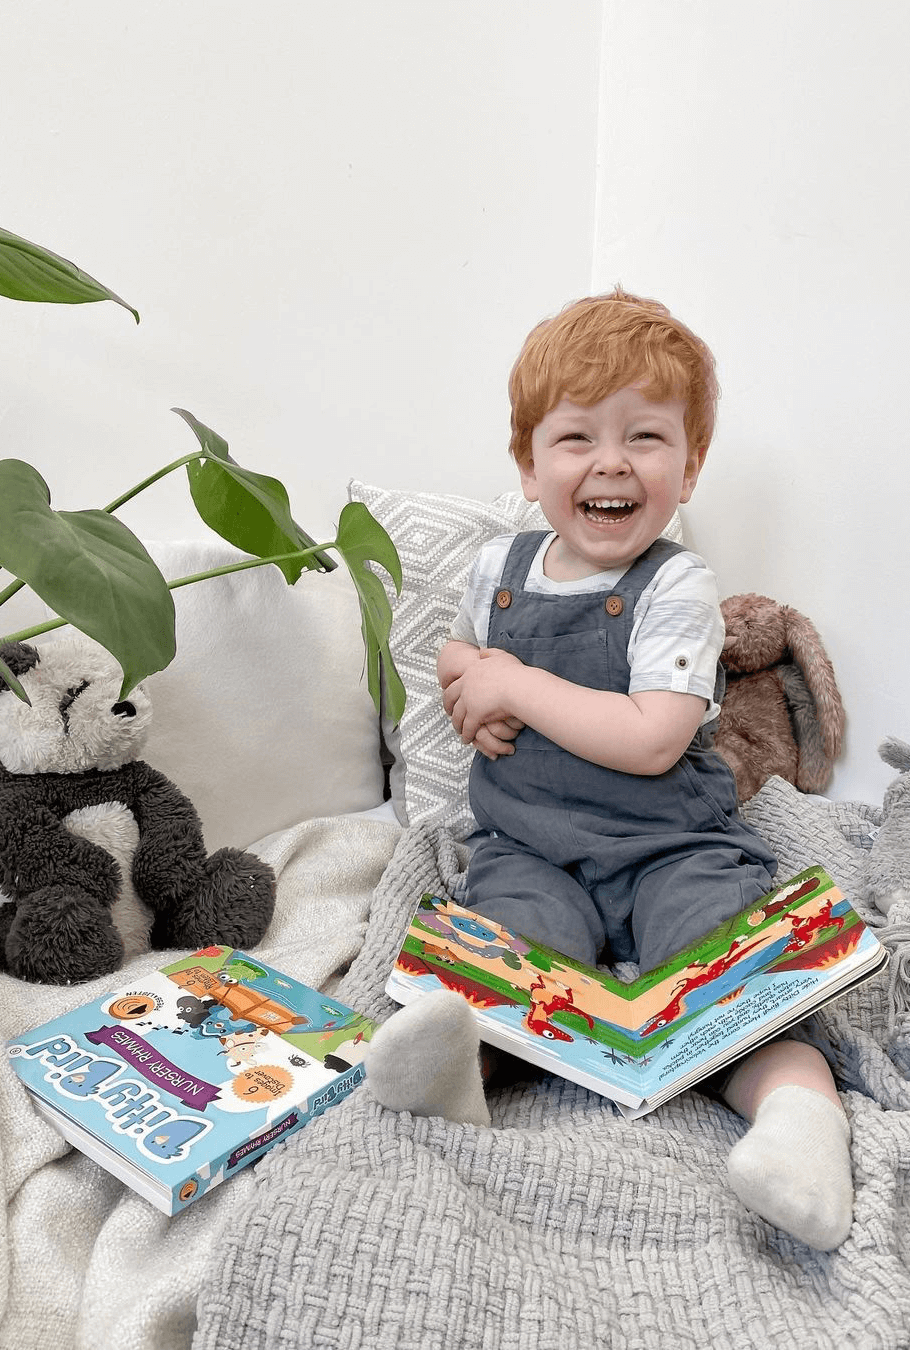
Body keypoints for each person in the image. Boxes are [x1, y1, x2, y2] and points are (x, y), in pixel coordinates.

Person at [365, 290, 854, 1251]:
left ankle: (799, 1120)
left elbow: (652, 738)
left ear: (690, 466)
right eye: (578, 437)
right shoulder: (497, 567)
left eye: (646, 436)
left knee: (727, 967)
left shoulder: (676, 585)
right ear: (529, 463)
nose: (612, 462)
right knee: (511, 951)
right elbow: (462, 652)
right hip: (531, 845)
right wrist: (470, 682)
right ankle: (462, 1071)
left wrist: (517, 682)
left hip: (669, 843)